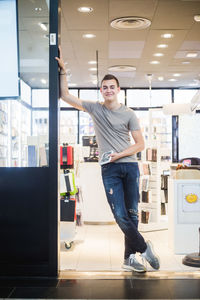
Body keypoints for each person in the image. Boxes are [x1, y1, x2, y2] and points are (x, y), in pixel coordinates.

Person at [55, 47, 160, 273]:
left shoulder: (129, 114)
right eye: (105, 87)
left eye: (112, 87)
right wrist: (63, 71)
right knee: (120, 214)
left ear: (118, 89)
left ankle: (128, 259)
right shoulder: (95, 108)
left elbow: (140, 145)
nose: (108, 90)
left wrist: (119, 154)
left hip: (130, 166)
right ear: (101, 91)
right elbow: (65, 96)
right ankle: (144, 248)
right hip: (109, 169)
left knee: (132, 214)